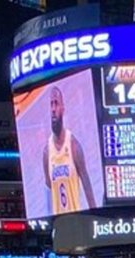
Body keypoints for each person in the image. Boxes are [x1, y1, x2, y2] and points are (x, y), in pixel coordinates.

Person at [42, 86, 95, 215]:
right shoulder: (46, 152)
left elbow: (87, 185)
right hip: (59, 222)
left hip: (76, 219)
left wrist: (95, 216)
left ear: (62, 108)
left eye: (56, 103)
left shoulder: (73, 146)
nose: (53, 109)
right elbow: (48, 192)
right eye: (51, 104)